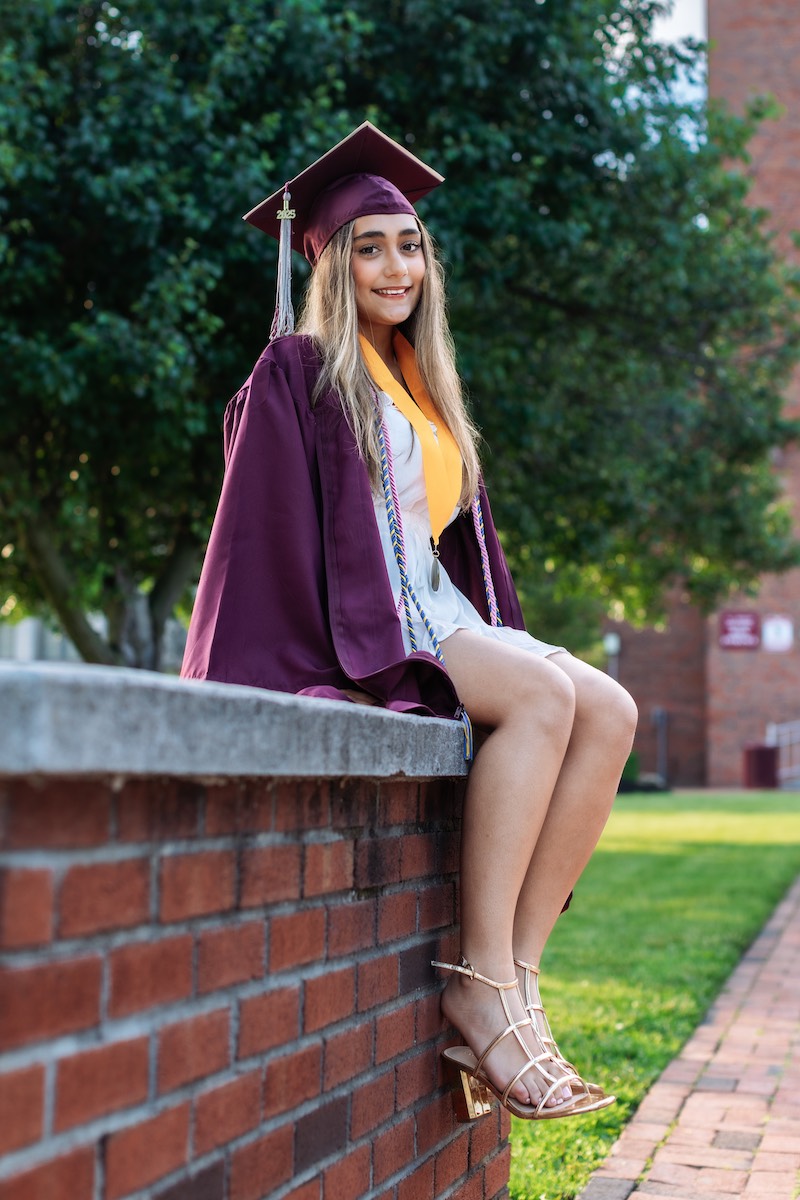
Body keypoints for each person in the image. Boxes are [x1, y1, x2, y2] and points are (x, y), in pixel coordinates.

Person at [182, 122, 638, 1122]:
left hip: (435, 605)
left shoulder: (423, 383)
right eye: (369, 246)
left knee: (607, 709)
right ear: (328, 262)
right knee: (540, 693)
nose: (396, 266)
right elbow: (256, 531)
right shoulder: (299, 369)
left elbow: (453, 550)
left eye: (409, 245)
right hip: (372, 617)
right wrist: (277, 656)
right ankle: (474, 984)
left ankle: (511, 979)